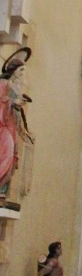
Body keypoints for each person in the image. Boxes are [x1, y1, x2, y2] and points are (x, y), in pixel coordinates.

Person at [0, 46, 34, 198]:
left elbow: (18, 112)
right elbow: (2, 101)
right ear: (13, 70)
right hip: (3, 125)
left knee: (11, 155)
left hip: (11, 125)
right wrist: (13, 102)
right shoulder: (3, 84)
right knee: (6, 153)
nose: (22, 74)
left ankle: (2, 189)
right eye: (21, 70)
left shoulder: (14, 87)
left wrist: (25, 131)